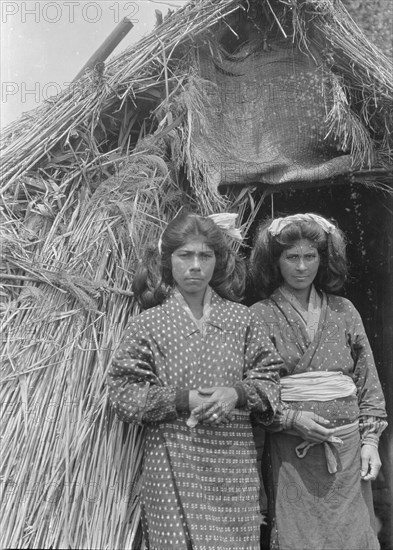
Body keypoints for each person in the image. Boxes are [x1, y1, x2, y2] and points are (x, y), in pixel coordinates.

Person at [107, 211, 284, 550]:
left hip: (232, 470)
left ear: (217, 261)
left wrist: (236, 394)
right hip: (173, 460)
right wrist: (184, 400)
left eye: (205, 255)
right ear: (167, 261)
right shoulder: (149, 324)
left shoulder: (241, 319)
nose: (195, 266)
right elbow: (123, 392)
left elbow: (270, 381)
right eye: (184, 255)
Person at [248, 212, 388, 550]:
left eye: (310, 256)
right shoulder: (260, 314)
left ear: (322, 259)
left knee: (352, 534)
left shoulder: (344, 310)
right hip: (291, 453)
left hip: (347, 449)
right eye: (291, 257)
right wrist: (293, 420)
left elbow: (367, 377)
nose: (301, 266)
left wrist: (370, 442)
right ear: (276, 261)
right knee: (300, 537)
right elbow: (255, 392)